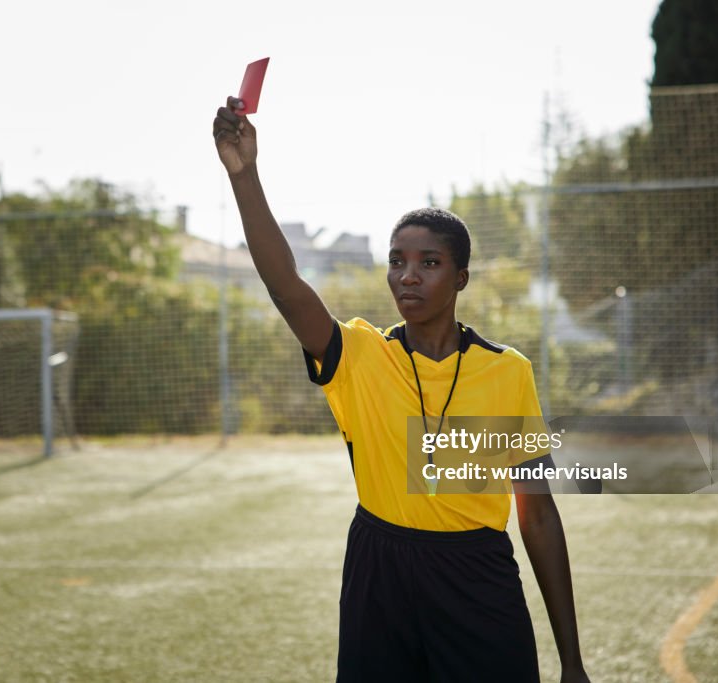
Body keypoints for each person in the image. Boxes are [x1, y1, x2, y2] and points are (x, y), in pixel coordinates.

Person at [213, 96, 590, 683]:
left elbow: (536, 514)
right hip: (379, 571)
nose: (407, 274)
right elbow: (285, 285)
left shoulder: (507, 370)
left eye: (429, 262)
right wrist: (244, 175)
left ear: (460, 277)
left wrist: (572, 662)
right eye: (397, 261)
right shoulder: (359, 354)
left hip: (476, 576)